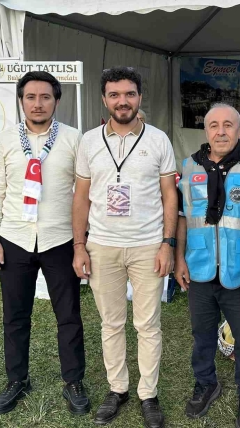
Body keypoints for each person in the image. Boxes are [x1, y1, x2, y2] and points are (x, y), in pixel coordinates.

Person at [71, 66, 177, 428]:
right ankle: (118, 389)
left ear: (139, 97)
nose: (122, 101)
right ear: (104, 99)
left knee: (148, 324)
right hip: (102, 245)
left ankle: (148, 394)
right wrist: (79, 246)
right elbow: (81, 198)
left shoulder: (158, 140)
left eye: (129, 94)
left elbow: (169, 196)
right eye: (115, 95)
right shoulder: (89, 141)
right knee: (111, 323)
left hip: (148, 245)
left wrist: (167, 243)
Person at [0, 71, 90, 415]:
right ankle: (17, 379)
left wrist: (81, 241)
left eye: (45, 97)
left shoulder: (75, 139)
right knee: (15, 315)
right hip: (14, 238)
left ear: (57, 101)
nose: (38, 103)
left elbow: (83, 193)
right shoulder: (5, 140)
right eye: (31, 97)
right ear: (21, 101)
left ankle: (73, 380)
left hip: (60, 239)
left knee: (68, 315)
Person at [174, 103, 240, 428]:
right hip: (200, 268)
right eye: (214, 125)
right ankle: (207, 384)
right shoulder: (189, 167)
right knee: (201, 335)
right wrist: (178, 259)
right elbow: (180, 218)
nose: (221, 131)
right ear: (206, 131)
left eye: (228, 125)